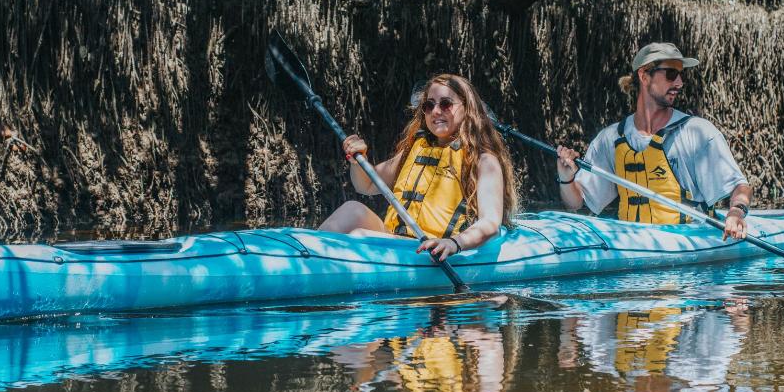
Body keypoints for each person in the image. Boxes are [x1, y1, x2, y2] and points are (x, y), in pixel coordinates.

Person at [554, 42, 752, 240]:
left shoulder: (697, 132)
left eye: (682, 75)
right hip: (630, 240)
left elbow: (739, 186)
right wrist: (566, 177)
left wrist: (735, 213)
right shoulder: (610, 138)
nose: (679, 83)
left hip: (688, 241)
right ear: (644, 75)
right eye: (671, 74)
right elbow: (576, 202)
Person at [319, 74, 517, 260]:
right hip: (398, 240)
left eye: (446, 104)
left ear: (467, 108)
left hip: (433, 247)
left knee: (360, 235)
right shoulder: (416, 149)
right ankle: (305, 251)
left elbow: (490, 223)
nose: (436, 111)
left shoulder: (483, 160)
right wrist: (357, 161)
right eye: (429, 105)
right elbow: (366, 185)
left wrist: (454, 243)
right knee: (351, 209)